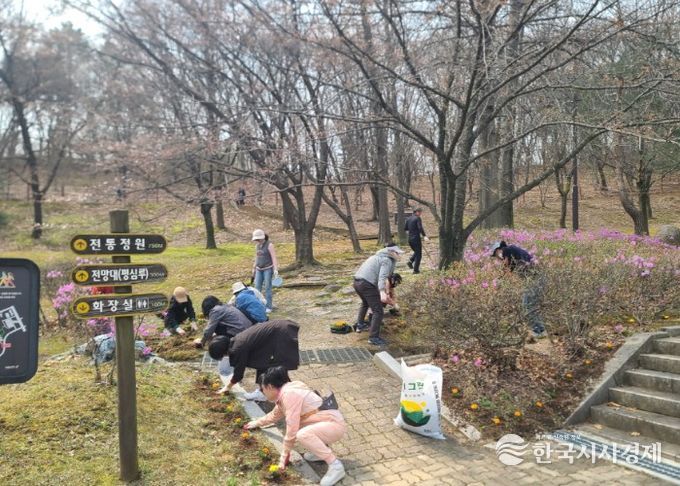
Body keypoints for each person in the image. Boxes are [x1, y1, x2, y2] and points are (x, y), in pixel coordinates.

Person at [244, 366, 347, 486]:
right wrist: (256, 423)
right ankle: (320, 452)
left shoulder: (289, 395)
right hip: (328, 424)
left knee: (302, 435)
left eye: (263, 389)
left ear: (270, 387)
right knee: (303, 431)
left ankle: (335, 466)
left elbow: (291, 428)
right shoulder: (286, 392)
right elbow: (274, 415)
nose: (263, 393)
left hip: (334, 426)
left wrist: (284, 456)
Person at [207, 319, 300, 401]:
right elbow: (260, 362)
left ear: (222, 352)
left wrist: (228, 387)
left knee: (278, 367)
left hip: (281, 334)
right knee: (265, 362)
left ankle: (294, 395)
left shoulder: (237, 348)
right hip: (278, 330)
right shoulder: (235, 341)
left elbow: (239, 372)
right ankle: (264, 392)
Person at [490, 241, 547, 339]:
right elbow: (508, 271)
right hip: (536, 279)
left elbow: (506, 267)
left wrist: (498, 283)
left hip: (535, 280)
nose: (498, 258)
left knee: (527, 304)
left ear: (498, 249)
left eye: (496, 255)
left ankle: (538, 331)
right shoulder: (513, 255)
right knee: (530, 304)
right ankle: (540, 330)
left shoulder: (507, 249)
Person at [352, 243, 404, 346]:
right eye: (397, 253)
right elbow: (382, 277)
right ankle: (373, 338)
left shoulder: (376, 257)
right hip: (367, 284)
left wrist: (387, 292)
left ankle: (360, 324)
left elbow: (386, 279)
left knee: (365, 303)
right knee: (378, 311)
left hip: (357, 282)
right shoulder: (387, 260)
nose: (399, 255)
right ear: (391, 252)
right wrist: (382, 291)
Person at [252, 229, 279, 313]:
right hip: (259, 269)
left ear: (262, 237)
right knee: (257, 288)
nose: (257, 240)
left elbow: (274, 258)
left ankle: (269, 306)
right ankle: (258, 305)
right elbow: (257, 257)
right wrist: (254, 268)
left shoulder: (269, 245)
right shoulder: (257, 246)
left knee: (268, 287)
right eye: (256, 239)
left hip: (268, 269)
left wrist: (275, 269)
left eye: (258, 239)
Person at [404, 208, 429, 274]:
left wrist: (411, 234)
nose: (420, 214)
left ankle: (410, 261)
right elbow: (420, 227)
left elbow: (405, 229)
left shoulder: (408, 218)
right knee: (419, 255)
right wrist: (424, 236)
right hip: (416, 239)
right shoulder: (417, 218)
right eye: (420, 212)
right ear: (417, 212)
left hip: (410, 239)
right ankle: (416, 270)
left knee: (417, 252)